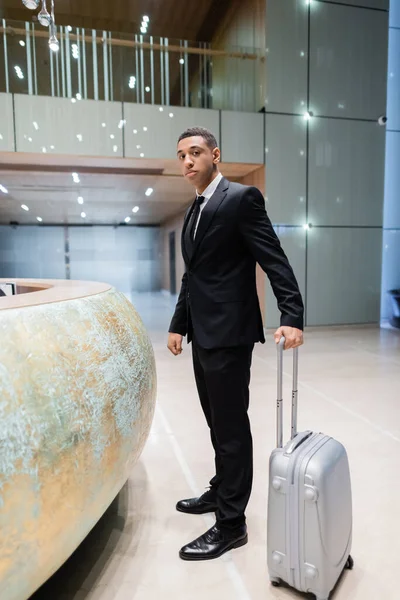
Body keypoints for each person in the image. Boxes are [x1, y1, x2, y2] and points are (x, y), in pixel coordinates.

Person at [167, 127, 304, 561]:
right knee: (215, 421)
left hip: (230, 333)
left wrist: (292, 316)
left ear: (215, 155)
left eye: (195, 153)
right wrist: (177, 323)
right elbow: (194, 276)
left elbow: (272, 257)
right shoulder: (196, 208)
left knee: (230, 428)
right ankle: (220, 490)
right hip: (203, 333)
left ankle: (231, 524)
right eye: (181, 155)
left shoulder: (241, 199)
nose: (187, 161)